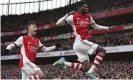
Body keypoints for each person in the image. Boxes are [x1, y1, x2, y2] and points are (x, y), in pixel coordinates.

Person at [53, 1, 115, 79]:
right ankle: (91, 72)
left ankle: (64, 62)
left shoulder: (88, 16)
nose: (87, 8)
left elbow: (95, 26)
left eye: (87, 6)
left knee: (86, 68)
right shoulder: (72, 16)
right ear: (79, 8)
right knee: (102, 51)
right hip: (80, 41)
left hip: (78, 44)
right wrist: (67, 14)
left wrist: (108, 28)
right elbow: (58, 23)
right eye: (85, 7)